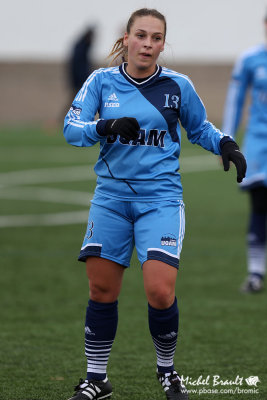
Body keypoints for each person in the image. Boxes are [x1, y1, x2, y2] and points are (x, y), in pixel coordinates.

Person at [63, 8, 246, 400]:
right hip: (110, 200)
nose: (148, 44)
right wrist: (104, 126)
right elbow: (71, 128)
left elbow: (199, 128)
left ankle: (167, 371)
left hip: (160, 200)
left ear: (163, 44)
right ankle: (97, 379)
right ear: (126, 38)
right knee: (101, 289)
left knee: (160, 292)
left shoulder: (177, 86)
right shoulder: (101, 81)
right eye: (141, 36)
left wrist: (226, 144)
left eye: (156, 38)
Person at [222, 14, 267, 293]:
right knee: (260, 204)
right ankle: (256, 273)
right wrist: (226, 138)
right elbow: (234, 100)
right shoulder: (250, 59)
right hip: (259, 142)